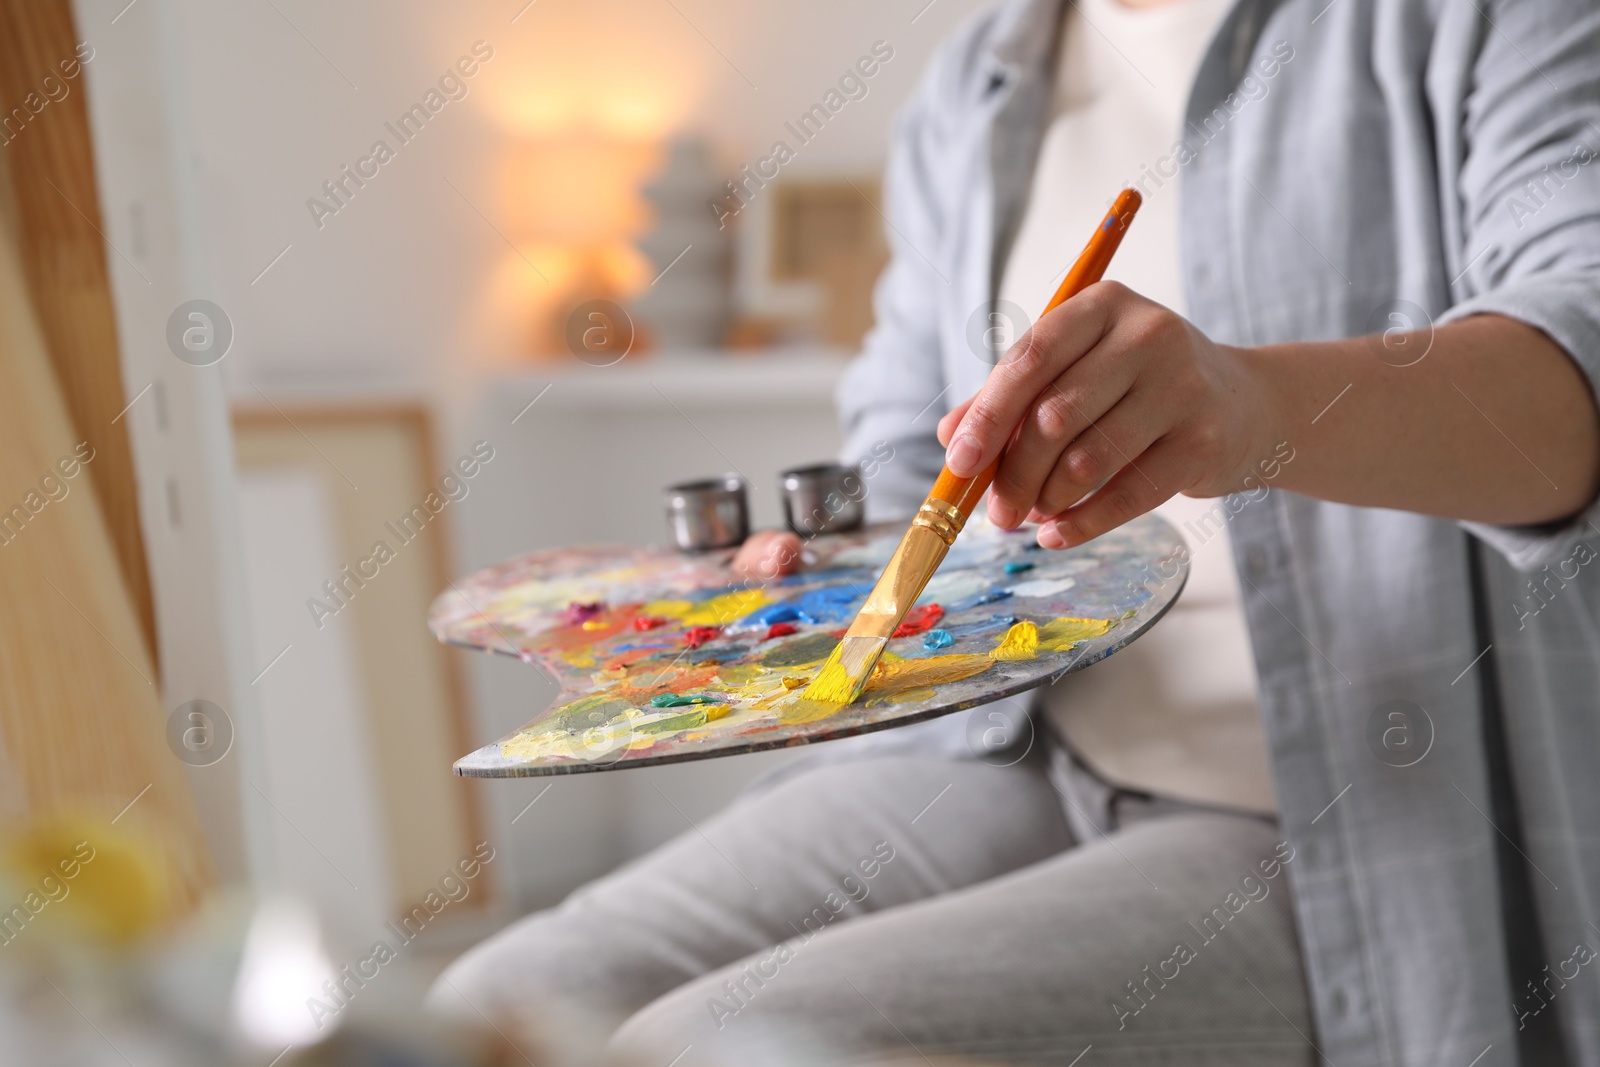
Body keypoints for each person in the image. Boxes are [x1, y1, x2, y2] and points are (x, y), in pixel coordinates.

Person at [432, 0, 1600, 1063]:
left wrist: (1254, 404)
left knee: (712, 1046)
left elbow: (1576, 374)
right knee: (497, 1007)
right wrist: (814, 561)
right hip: (1003, 751)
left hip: (1337, 797)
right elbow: (899, 448)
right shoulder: (976, 82)